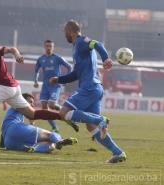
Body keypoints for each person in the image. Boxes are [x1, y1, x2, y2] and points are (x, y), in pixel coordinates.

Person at [49, 20, 126, 163]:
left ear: (71, 31)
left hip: (89, 87)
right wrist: (58, 79)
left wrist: (106, 58)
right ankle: (118, 152)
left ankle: (101, 120)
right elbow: (75, 74)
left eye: (65, 31)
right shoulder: (77, 48)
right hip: (95, 88)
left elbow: (97, 44)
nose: (64, 34)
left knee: (63, 113)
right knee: (91, 127)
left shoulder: (81, 41)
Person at [0, 93, 78, 153]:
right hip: (16, 129)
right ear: (23, 100)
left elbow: (4, 128)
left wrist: (3, 144)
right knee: (50, 135)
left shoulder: (14, 112)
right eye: (30, 102)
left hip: (9, 142)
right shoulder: (18, 104)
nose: (32, 105)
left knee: (51, 145)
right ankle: (59, 140)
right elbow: (34, 115)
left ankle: (34, 148)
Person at [34, 40, 72, 132]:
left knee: (52, 104)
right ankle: (54, 127)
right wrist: (35, 81)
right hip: (45, 86)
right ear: (44, 46)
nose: (48, 48)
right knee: (44, 108)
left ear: (53, 47)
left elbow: (69, 66)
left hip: (55, 85)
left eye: (50, 46)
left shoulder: (57, 58)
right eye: (47, 46)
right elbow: (36, 71)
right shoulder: (40, 59)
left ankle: (68, 114)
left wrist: (66, 79)